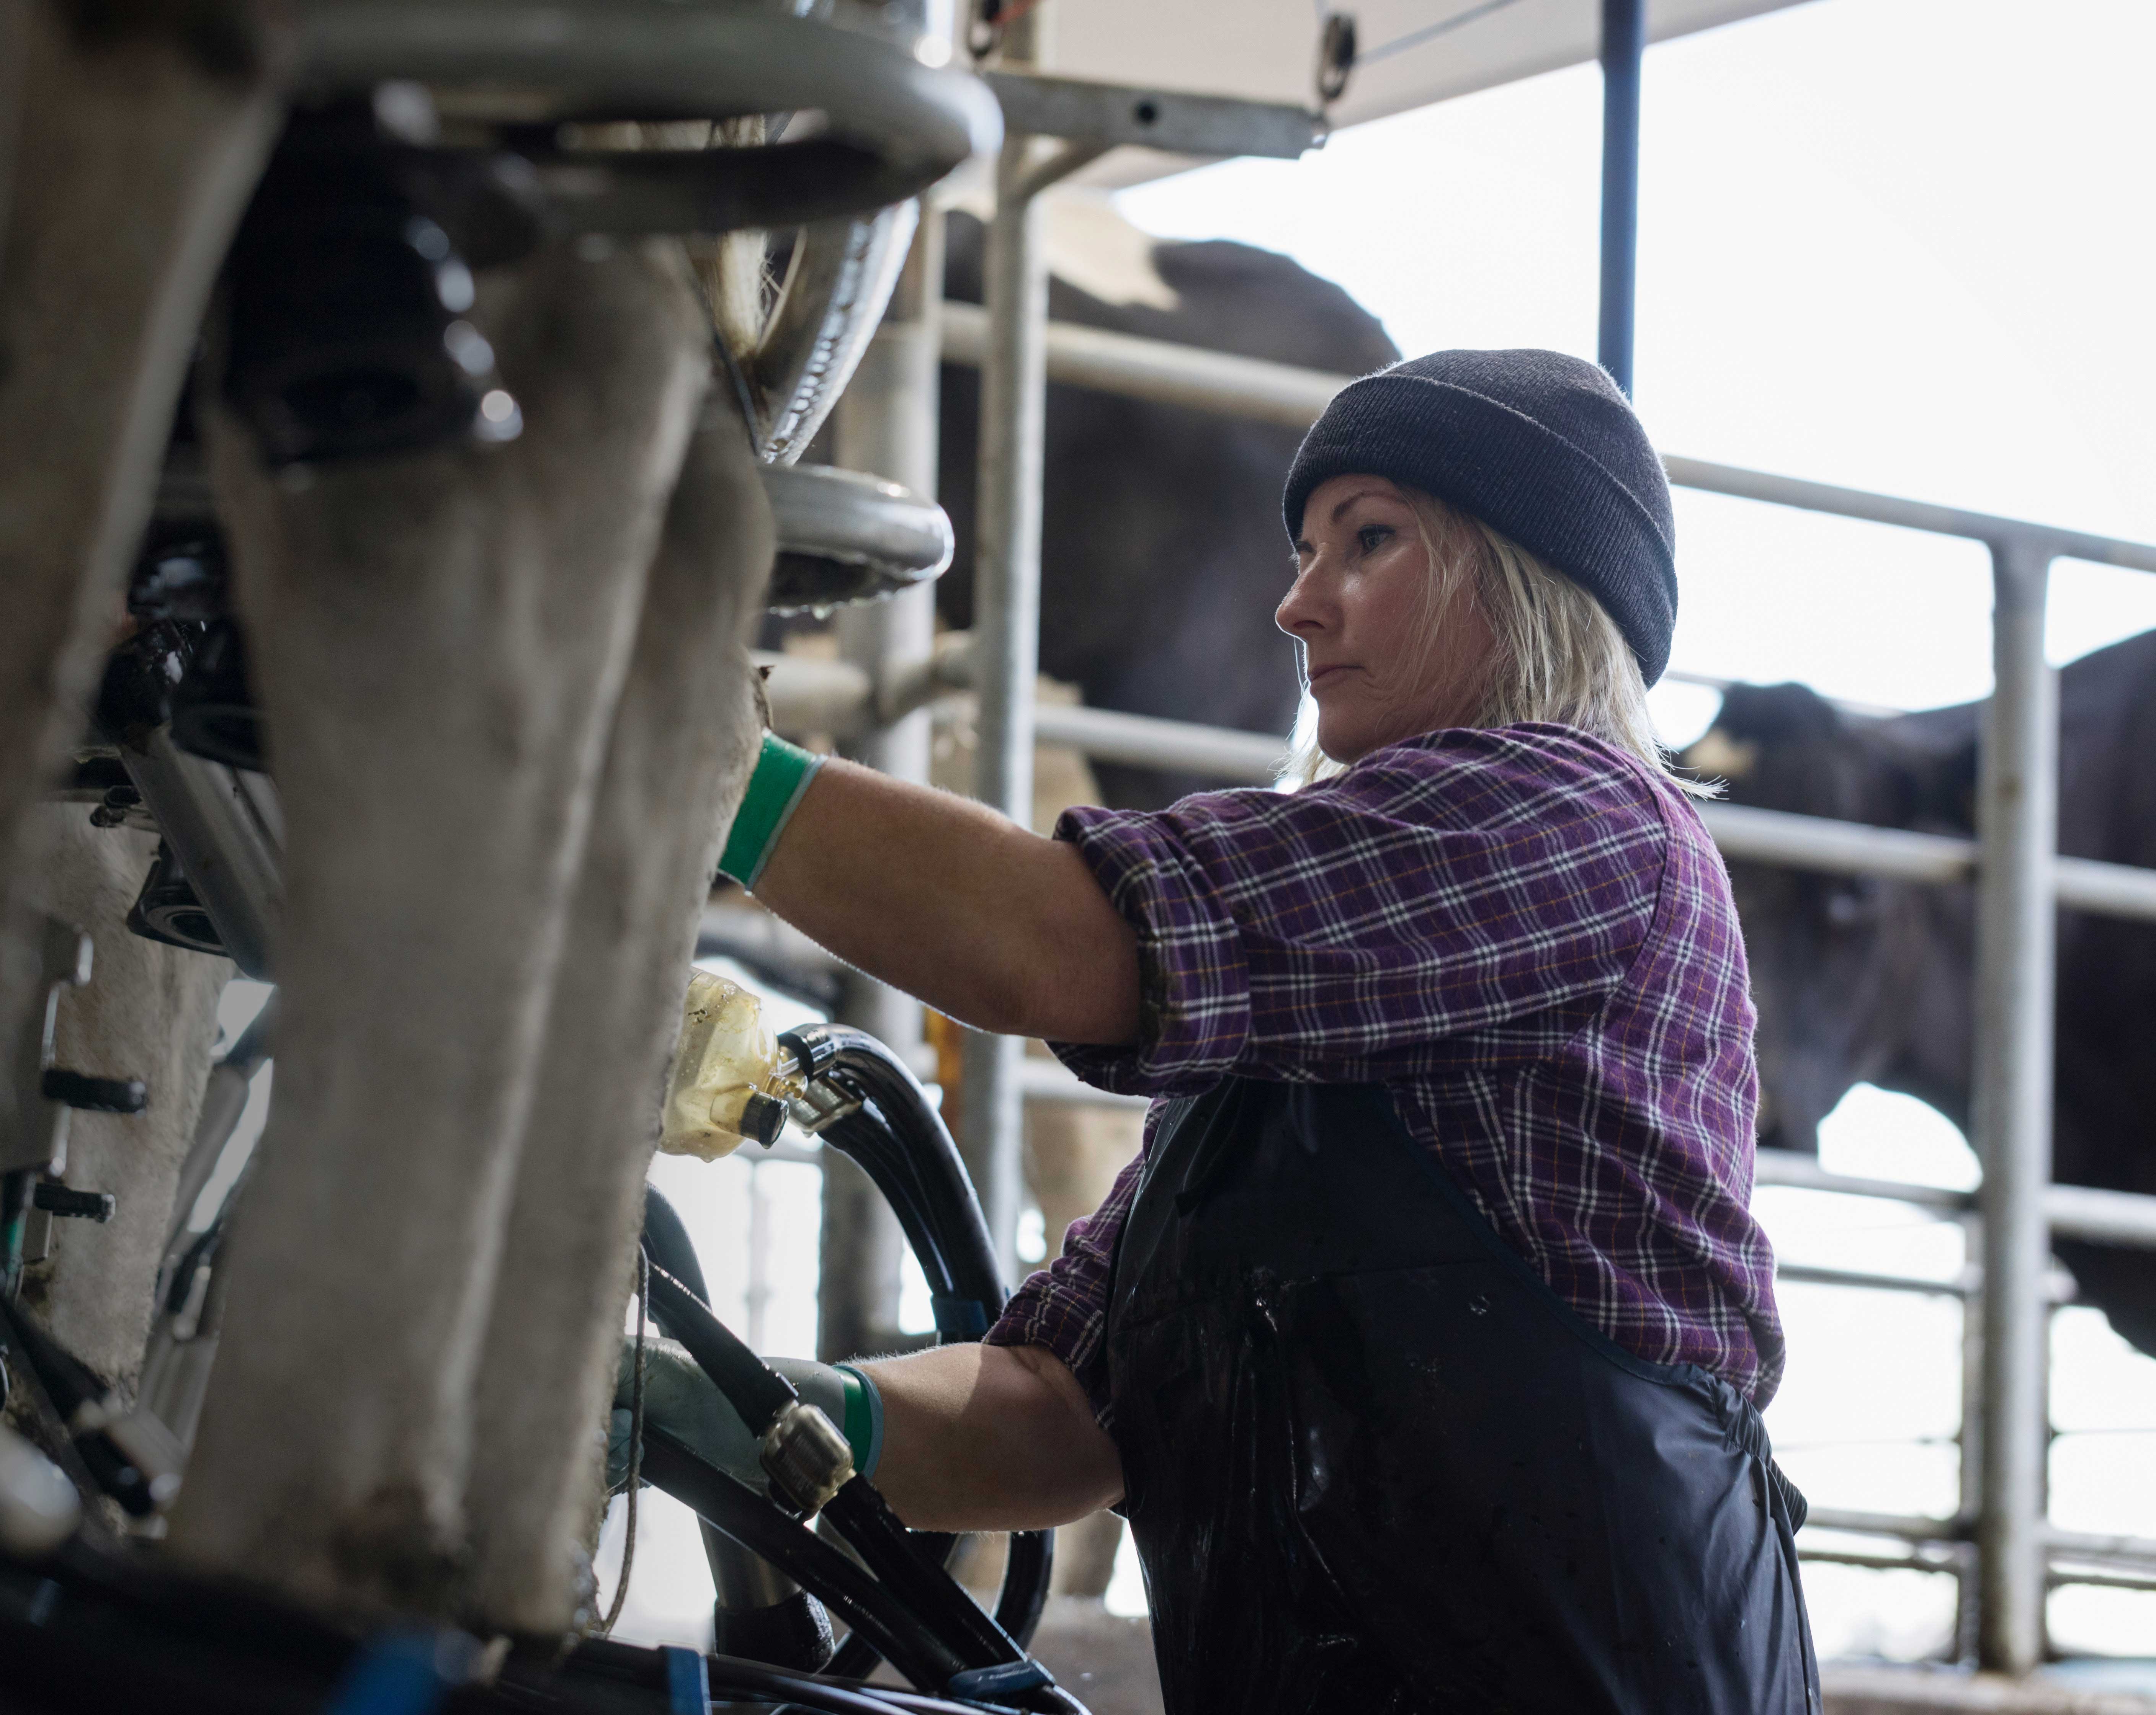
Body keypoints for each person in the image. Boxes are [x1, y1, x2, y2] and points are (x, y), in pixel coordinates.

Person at [619, 350, 1818, 1713]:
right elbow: (1061, 1414)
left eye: (1370, 540)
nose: (1300, 605)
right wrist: (754, 1413)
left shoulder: (1584, 826)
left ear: (1533, 574)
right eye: (1307, 551)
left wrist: (708, 766)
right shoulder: (1285, 1032)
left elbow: (1058, 943)